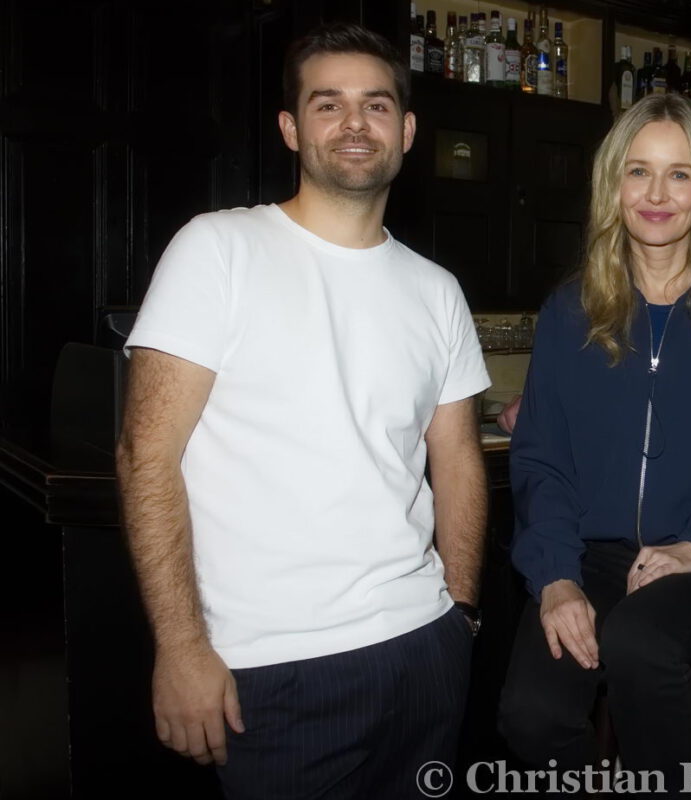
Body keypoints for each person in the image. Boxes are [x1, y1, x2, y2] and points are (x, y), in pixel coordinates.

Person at [116, 23, 489, 799]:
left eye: (377, 105)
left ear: (408, 130)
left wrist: (460, 614)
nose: (355, 124)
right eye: (329, 105)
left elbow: (456, 459)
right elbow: (145, 455)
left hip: (422, 649)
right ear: (291, 128)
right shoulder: (217, 250)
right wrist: (181, 648)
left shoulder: (436, 289)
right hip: (271, 667)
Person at [497, 93, 691, 795]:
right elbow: (542, 460)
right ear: (613, 185)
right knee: (529, 713)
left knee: (639, 642)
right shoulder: (570, 311)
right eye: (638, 171)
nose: (657, 193)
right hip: (594, 558)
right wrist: (554, 578)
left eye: (678, 174)